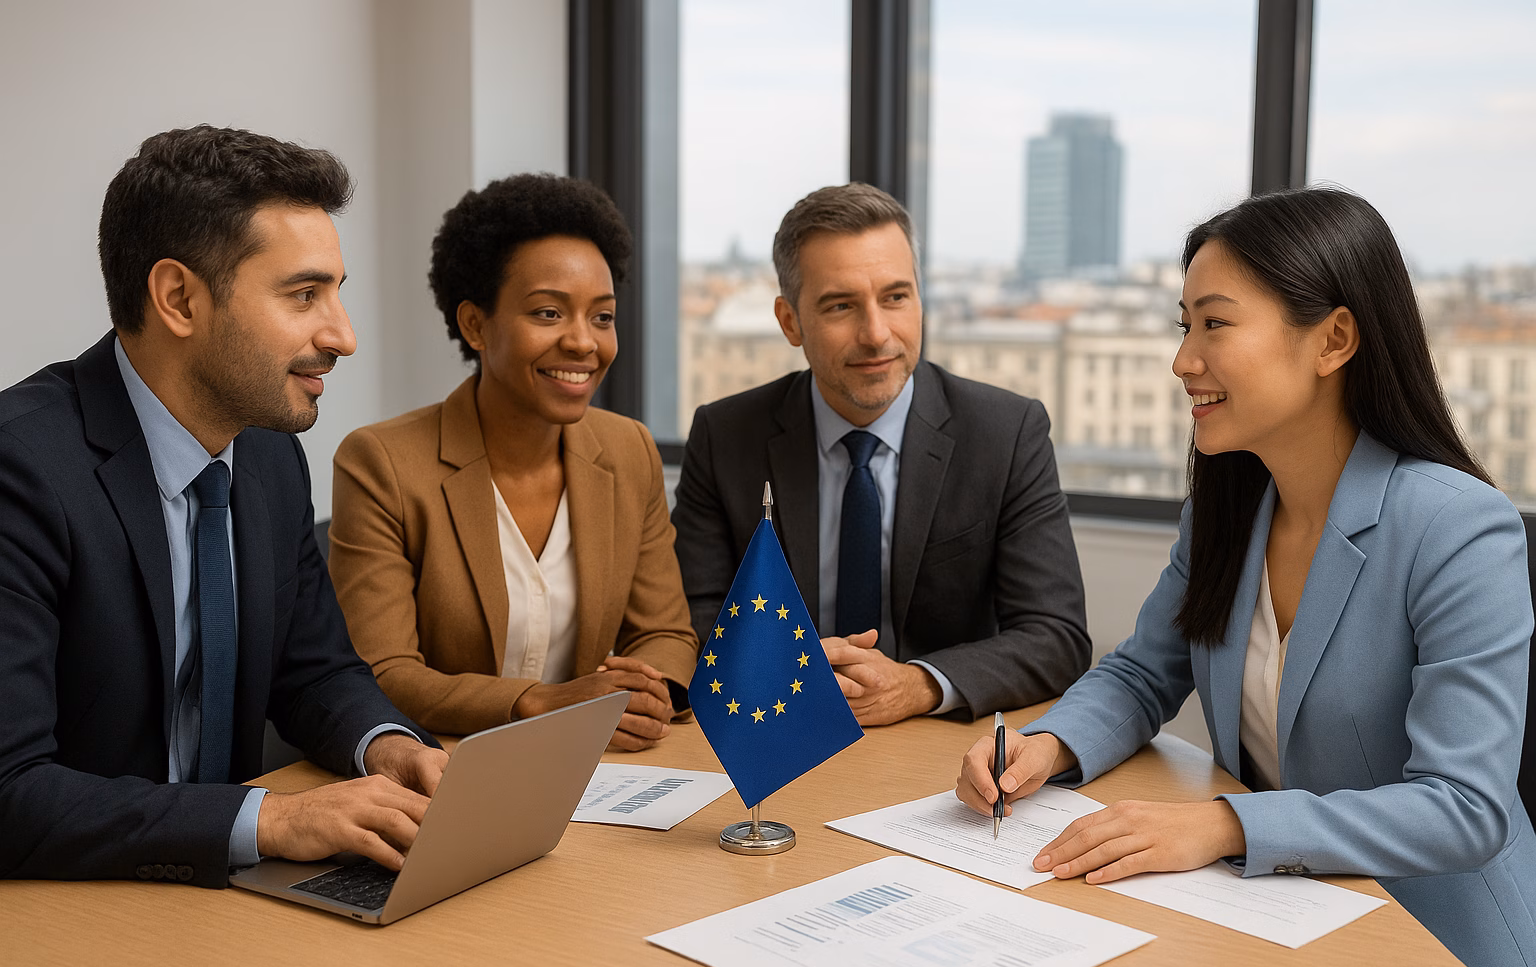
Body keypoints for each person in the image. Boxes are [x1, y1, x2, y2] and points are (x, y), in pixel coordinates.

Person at [955, 187, 1536, 967]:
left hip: (1441, 961)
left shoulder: (1456, 527)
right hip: (1285, 930)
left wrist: (1228, 826)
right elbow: (1141, 675)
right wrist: (1048, 747)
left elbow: (1466, 809)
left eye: (1215, 324)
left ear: (1333, 340)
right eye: (1182, 325)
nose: (1183, 359)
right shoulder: (1228, 511)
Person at [0, 126, 448, 886]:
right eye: (304, 294)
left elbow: (315, 672)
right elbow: (10, 791)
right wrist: (274, 819)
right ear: (179, 298)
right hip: (68, 915)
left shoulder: (269, 454)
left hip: (224, 901)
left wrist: (388, 745)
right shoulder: (22, 470)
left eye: (338, 292)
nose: (343, 335)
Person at [671, 183, 1091, 725]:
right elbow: (691, 616)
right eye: (841, 305)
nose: (876, 334)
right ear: (790, 321)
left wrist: (916, 684)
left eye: (895, 298)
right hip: (774, 726)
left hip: (937, 750)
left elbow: (1056, 636)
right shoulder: (725, 435)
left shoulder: (1006, 433)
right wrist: (789, 670)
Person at [329, 173, 696, 752]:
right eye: (549, 313)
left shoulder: (630, 451)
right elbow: (382, 671)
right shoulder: (382, 463)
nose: (584, 342)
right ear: (475, 324)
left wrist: (645, 691)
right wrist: (535, 704)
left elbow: (665, 632)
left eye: (602, 316)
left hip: (601, 768)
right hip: (443, 767)